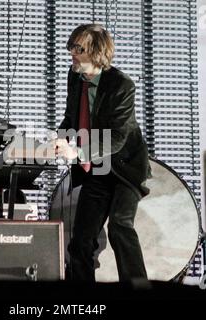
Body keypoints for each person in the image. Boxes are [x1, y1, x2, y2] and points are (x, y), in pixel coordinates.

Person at [55, 24, 150, 282]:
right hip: (98, 170)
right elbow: (71, 118)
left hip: (125, 169)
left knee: (119, 227)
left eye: (78, 48)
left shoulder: (122, 85)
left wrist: (78, 152)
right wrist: (57, 140)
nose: (71, 53)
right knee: (80, 243)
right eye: (71, 47)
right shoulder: (75, 77)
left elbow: (118, 138)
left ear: (96, 52)